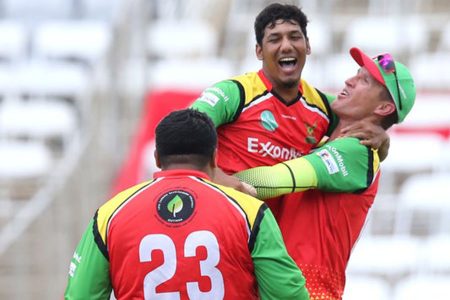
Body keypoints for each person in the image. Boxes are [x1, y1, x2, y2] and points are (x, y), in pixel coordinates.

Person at [64, 109, 310, 300]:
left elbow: (80, 295)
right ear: (215, 157)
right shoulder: (249, 212)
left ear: (157, 158)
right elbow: (288, 295)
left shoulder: (110, 214)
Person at [235, 47, 416, 299]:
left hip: (309, 289)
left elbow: (267, 183)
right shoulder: (332, 142)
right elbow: (299, 99)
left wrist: (201, 181)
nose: (349, 81)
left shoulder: (357, 149)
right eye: (356, 73)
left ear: (384, 108)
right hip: (282, 285)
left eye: (364, 80)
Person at [190, 3, 387, 217]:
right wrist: (219, 179)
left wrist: (382, 137)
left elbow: (364, 119)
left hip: (269, 238)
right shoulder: (235, 93)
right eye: (274, 39)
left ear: (308, 46)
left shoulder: (322, 106)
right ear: (259, 51)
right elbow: (185, 131)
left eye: (294, 37)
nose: (286, 46)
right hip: (220, 220)